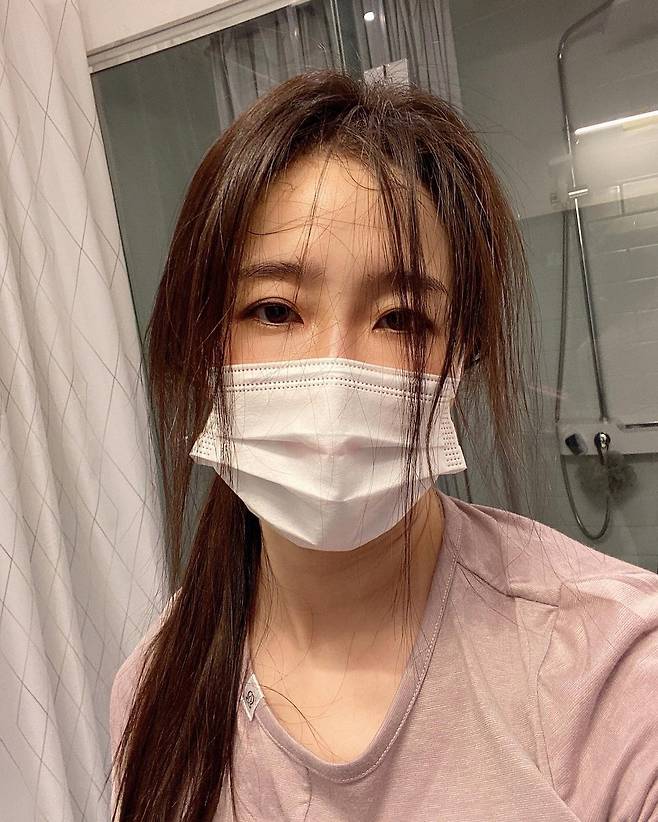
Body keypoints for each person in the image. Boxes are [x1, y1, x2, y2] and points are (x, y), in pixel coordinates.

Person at [108, 69, 658, 821]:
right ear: (201, 342)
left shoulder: (614, 668)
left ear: (461, 358)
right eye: (274, 311)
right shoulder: (154, 690)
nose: (334, 371)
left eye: (401, 319)